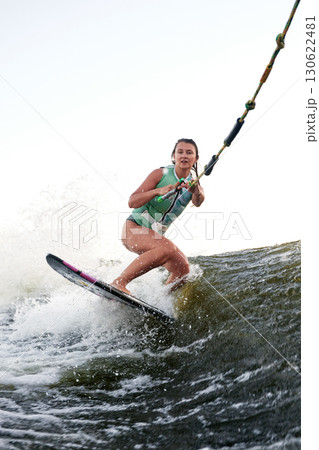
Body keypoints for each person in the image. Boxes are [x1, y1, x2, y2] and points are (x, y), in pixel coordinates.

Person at [111, 138, 205, 294]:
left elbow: (198, 201)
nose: (184, 156)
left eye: (189, 153)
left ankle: (160, 300)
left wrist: (197, 191)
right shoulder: (160, 174)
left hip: (154, 237)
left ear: (195, 158)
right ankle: (118, 283)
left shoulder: (194, 185)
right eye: (180, 152)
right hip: (133, 229)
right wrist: (157, 191)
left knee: (183, 269)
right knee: (166, 248)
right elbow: (132, 201)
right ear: (173, 156)